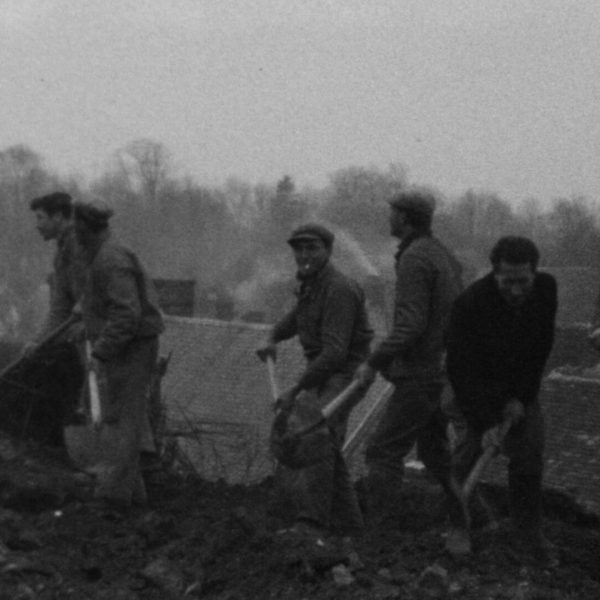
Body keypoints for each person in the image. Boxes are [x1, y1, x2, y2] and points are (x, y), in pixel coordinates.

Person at [256, 223, 373, 539]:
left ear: (328, 251)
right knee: (324, 446)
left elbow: (335, 353)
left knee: (313, 439)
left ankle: (311, 523)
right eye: (299, 249)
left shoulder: (339, 289)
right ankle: (350, 523)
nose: (304, 255)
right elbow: (296, 319)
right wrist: (271, 336)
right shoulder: (312, 286)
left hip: (345, 376)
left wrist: (296, 388)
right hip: (324, 372)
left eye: (312, 249)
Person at [444, 236, 557, 561]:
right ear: (494, 274)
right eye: (508, 282)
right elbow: (461, 370)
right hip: (473, 385)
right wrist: (484, 422)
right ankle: (458, 525)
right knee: (467, 453)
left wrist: (521, 398)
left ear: (535, 273)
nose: (517, 290)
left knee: (530, 453)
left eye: (524, 281)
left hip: (518, 384)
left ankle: (528, 533)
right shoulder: (469, 304)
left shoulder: (546, 290)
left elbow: (540, 349)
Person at [354, 187, 462, 514]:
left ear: (404, 216)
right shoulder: (442, 253)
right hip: (440, 370)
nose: (389, 217)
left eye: (393, 211)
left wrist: (374, 361)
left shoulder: (415, 258)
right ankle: (479, 520)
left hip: (420, 373)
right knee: (436, 457)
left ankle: (378, 533)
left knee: (382, 451)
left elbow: (411, 324)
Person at [73, 199, 165, 509]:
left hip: (135, 346)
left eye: (76, 227)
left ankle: (116, 497)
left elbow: (127, 314)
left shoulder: (110, 259)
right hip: (126, 344)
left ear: (84, 227)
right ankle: (133, 493)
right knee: (121, 416)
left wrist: (100, 352)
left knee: (127, 419)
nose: (74, 233)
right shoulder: (101, 255)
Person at [28, 191, 86, 346]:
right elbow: (60, 309)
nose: (37, 225)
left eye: (40, 217)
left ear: (58, 217)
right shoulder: (62, 254)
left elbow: (98, 295)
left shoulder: (81, 246)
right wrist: (37, 342)